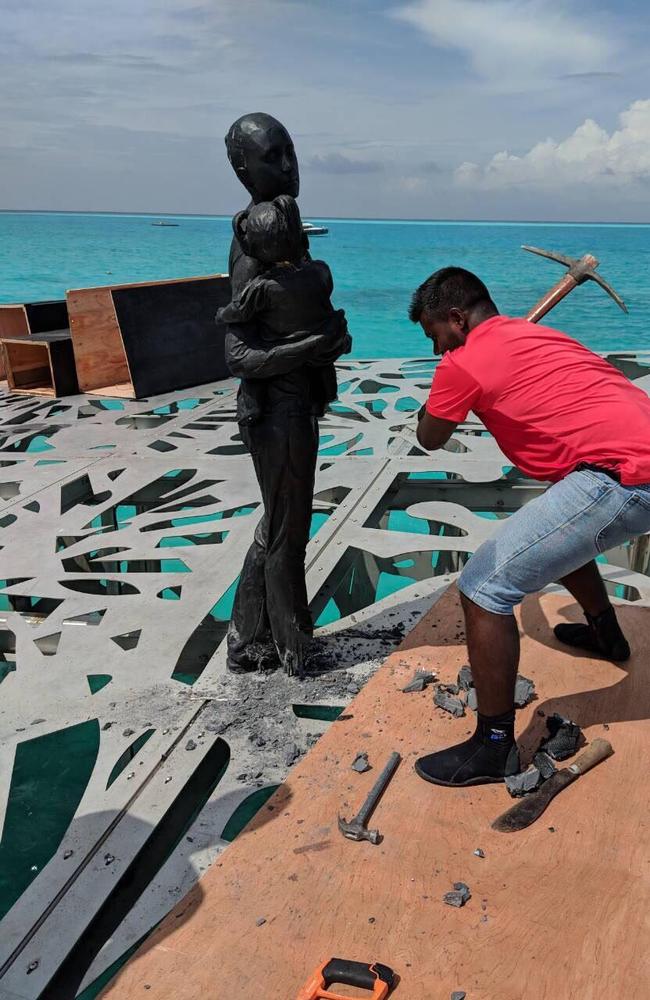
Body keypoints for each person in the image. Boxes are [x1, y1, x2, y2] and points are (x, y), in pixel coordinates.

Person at [408, 266, 650, 787]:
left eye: (434, 336)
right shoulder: (539, 335)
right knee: (557, 518)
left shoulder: (460, 365)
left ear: (455, 318)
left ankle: (492, 748)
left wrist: (436, 395)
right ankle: (606, 634)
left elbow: (430, 436)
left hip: (624, 477)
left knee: (483, 588)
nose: (434, 350)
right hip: (630, 458)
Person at [221, 113, 351, 676]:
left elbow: (315, 327)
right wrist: (308, 348)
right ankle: (293, 645)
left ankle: (250, 637)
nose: (289, 166)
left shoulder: (289, 238)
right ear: (243, 168)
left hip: (297, 404)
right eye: (273, 156)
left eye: (291, 152)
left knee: (279, 522)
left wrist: (328, 343)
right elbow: (238, 357)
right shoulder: (253, 245)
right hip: (273, 410)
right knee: (286, 531)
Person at [217, 194, 343, 425]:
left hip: (281, 361)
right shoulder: (321, 270)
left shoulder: (262, 288)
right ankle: (325, 393)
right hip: (319, 340)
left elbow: (239, 312)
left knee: (257, 376)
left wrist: (221, 314)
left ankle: (252, 405)